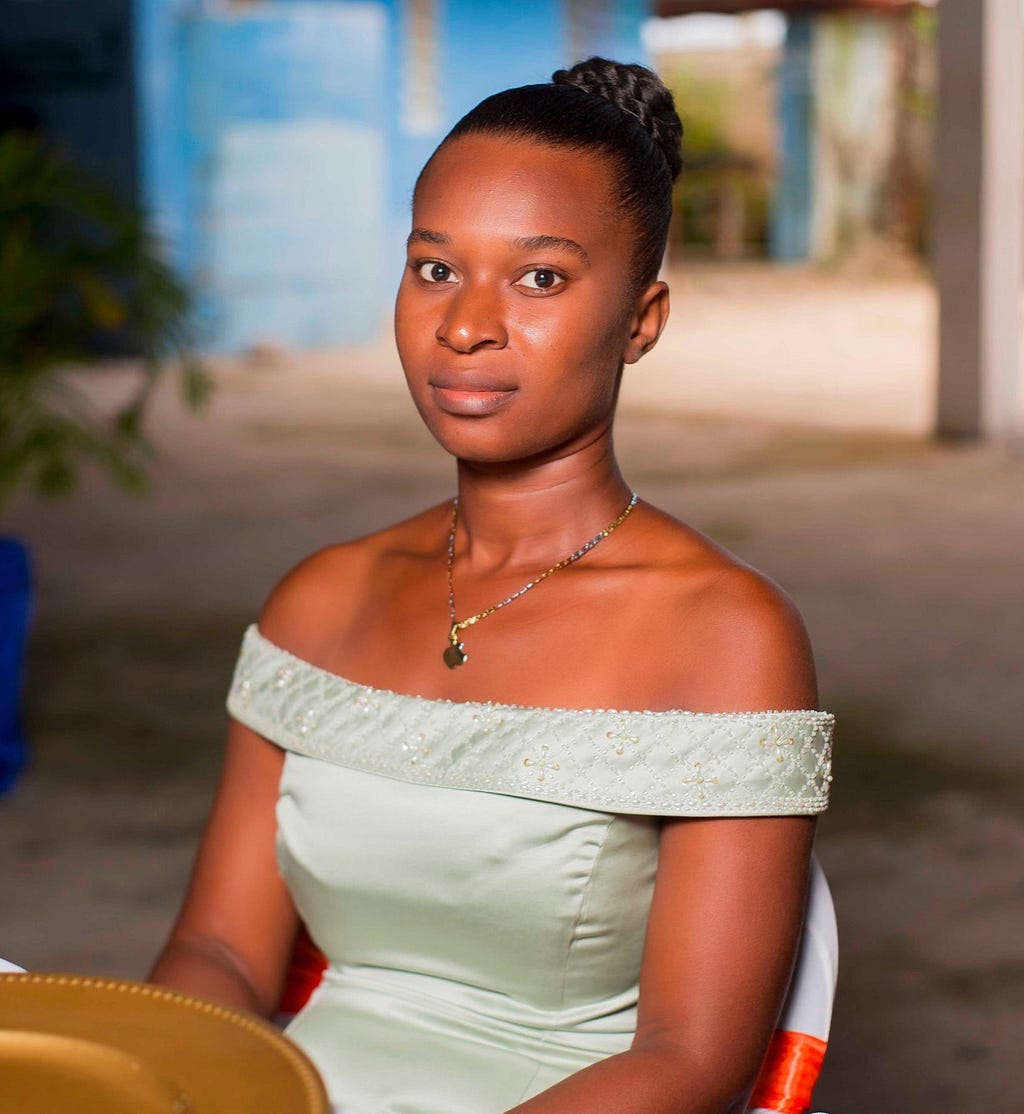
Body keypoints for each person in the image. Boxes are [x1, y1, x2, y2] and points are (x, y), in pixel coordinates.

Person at [150, 58, 834, 1114]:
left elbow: (693, 1061)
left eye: (540, 278)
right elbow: (217, 951)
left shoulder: (725, 635)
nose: (464, 326)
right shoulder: (318, 601)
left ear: (642, 320)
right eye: (434, 269)